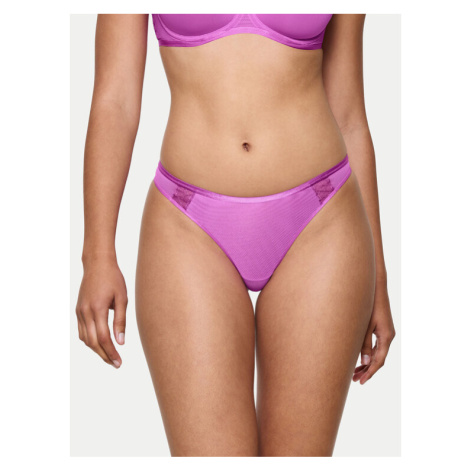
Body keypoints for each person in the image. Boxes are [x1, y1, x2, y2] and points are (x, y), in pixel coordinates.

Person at [75, 13, 396, 457]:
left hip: (321, 221)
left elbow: (349, 113)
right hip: (188, 225)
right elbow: (116, 100)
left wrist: (379, 278)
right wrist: (97, 255)